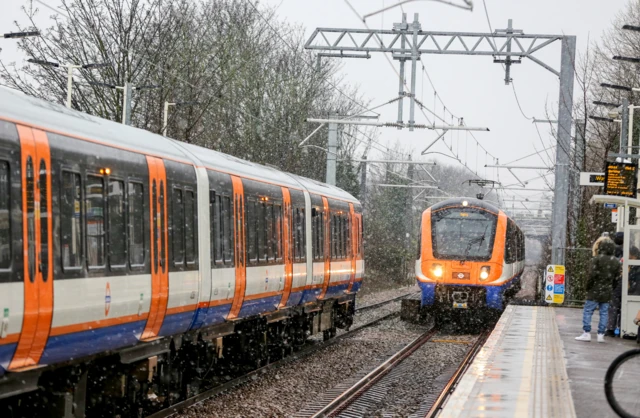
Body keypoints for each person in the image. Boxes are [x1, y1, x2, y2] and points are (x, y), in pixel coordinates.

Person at [576, 238, 620, 343]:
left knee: (588, 311)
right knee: (604, 313)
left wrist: (588, 286)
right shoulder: (616, 262)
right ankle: (601, 334)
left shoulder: (597, 259)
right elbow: (616, 278)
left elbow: (592, 275)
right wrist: (611, 287)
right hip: (607, 290)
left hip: (595, 290)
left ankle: (586, 333)